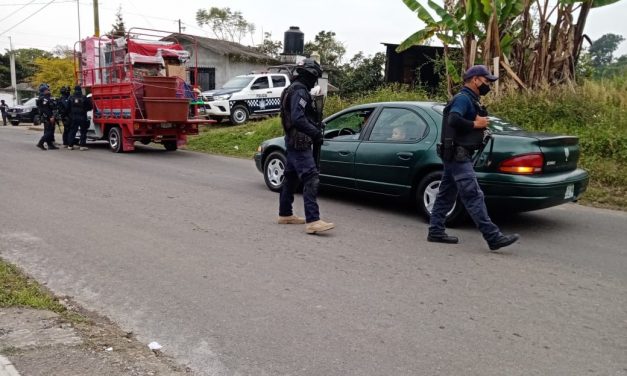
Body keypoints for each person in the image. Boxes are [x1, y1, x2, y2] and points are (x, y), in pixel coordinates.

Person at [427, 65, 519, 251]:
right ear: (475, 79)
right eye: (486, 81)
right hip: (458, 156)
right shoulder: (463, 99)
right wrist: (476, 124)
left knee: (446, 193)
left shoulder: (470, 99)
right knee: (473, 195)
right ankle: (493, 237)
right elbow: (453, 119)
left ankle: (435, 231)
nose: (488, 85)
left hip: (456, 154)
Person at [278, 58, 335, 234]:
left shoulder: (290, 88)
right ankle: (313, 220)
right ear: (310, 75)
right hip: (300, 141)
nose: (314, 80)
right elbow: (297, 118)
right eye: (315, 76)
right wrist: (315, 132)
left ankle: (285, 214)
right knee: (310, 177)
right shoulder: (300, 91)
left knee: (291, 177)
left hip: (292, 139)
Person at [67, 85, 93, 151]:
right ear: (80, 90)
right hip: (82, 116)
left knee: (72, 131)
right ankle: (82, 146)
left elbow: (68, 108)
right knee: (83, 131)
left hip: (74, 117)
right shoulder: (84, 97)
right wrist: (85, 109)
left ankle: (70, 145)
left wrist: (70, 114)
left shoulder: (71, 98)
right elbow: (90, 106)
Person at [35, 84, 58, 150]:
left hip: (47, 117)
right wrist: (51, 117)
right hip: (48, 117)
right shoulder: (44, 99)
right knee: (49, 131)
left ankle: (50, 145)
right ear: (44, 91)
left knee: (49, 131)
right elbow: (45, 109)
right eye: (47, 90)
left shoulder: (44, 97)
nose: (49, 90)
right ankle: (40, 143)